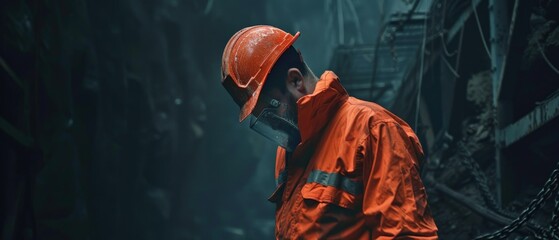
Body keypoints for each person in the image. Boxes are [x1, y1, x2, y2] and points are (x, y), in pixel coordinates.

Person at [221, 25, 438, 239]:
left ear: (295, 80)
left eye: (271, 109)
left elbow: (406, 234)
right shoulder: (288, 150)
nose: (274, 124)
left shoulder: (373, 130)